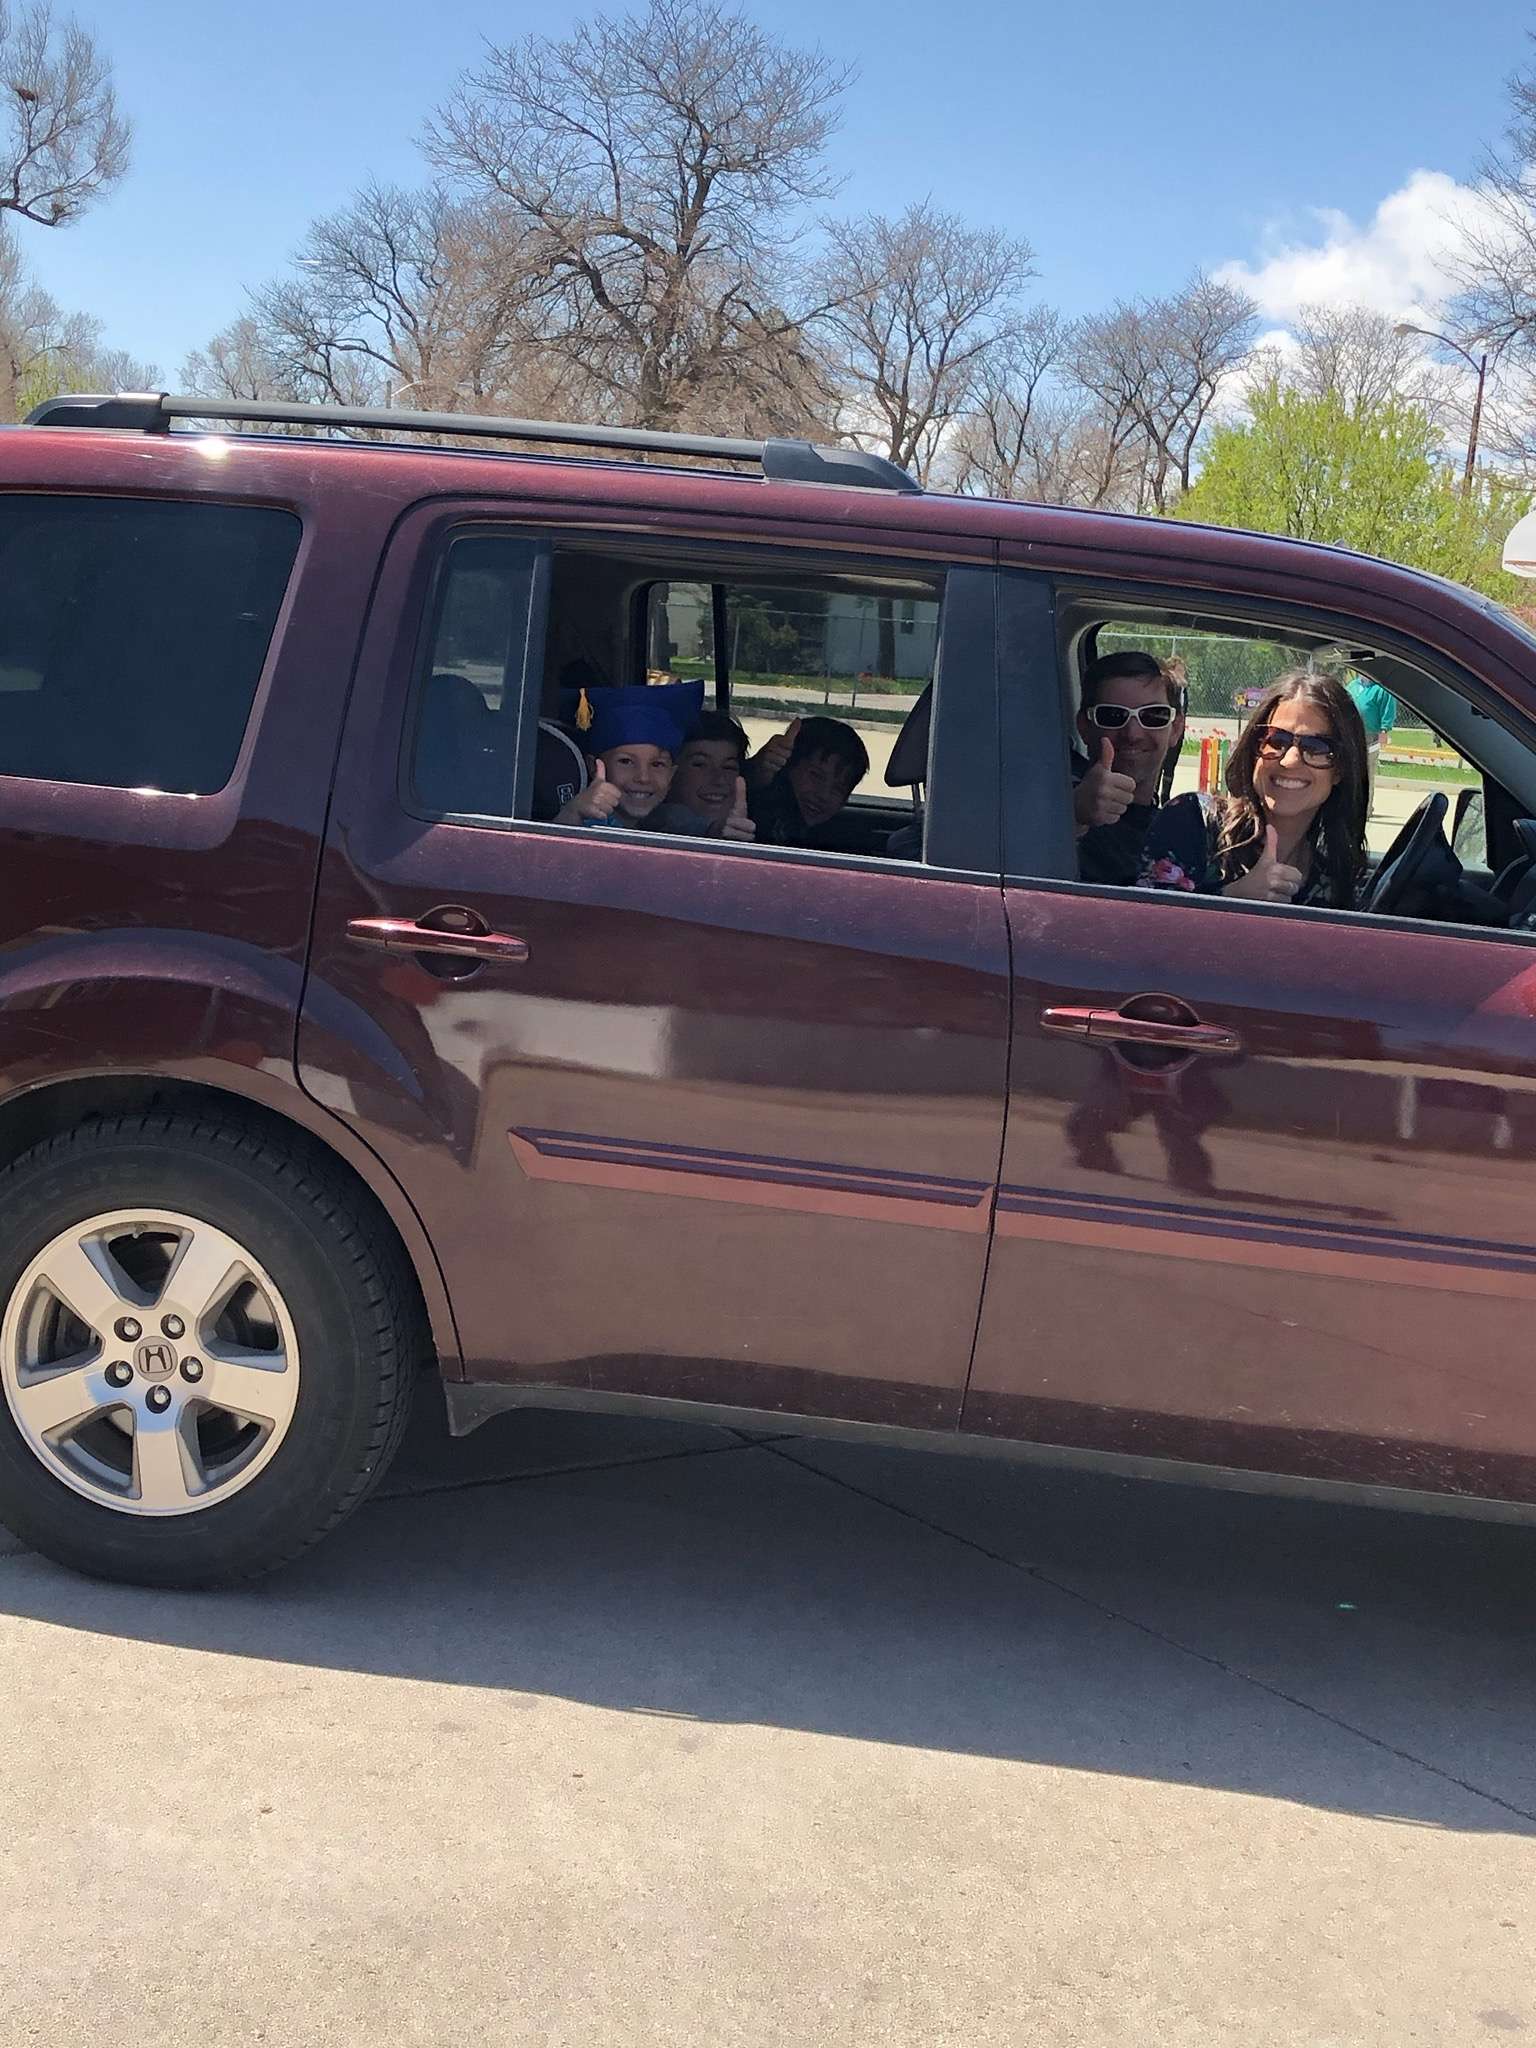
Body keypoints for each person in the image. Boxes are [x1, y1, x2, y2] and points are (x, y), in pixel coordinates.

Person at [1138, 669, 1368, 907]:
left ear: (1341, 769)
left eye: (1317, 747)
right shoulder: (1192, 820)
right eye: (1276, 740)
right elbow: (1138, 930)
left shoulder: (1337, 879)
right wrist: (1233, 897)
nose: (1289, 760)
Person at [1072, 651, 1186, 884]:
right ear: (1084, 726)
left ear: (1176, 729)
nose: (1132, 734)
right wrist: (1073, 816)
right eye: (1113, 716)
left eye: (1153, 716)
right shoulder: (1050, 803)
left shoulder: (1183, 830)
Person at [554, 681, 712, 833]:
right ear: (594, 767)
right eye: (626, 761)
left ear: (672, 774)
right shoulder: (584, 827)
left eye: (657, 764)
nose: (643, 777)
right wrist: (572, 814)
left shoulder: (672, 824)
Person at [745, 714, 870, 847]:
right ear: (787, 766)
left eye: (839, 789)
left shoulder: (836, 841)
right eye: (816, 776)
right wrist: (753, 772)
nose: (823, 795)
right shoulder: (752, 812)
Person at [667, 711, 757, 840]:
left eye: (729, 767)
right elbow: (670, 818)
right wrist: (715, 831)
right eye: (700, 764)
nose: (718, 779)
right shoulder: (650, 818)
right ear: (669, 773)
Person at [1347, 671, 1398, 806]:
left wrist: (1384, 730)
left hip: (1371, 735)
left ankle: (1366, 807)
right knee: (1351, 770)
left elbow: (1388, 710)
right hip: (1352, 733)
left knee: (1367, 771)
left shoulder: (1381, 689)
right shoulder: (1352, 686)